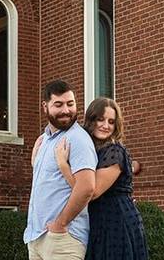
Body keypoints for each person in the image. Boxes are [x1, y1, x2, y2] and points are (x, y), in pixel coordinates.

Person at [55, 96, 148, 260]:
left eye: (111, 122)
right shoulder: (90, 148)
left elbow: (91, 192)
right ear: (91, 120)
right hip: (98, 219)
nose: (106, 126)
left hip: (117, 221)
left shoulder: (114, 151)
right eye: (100, 119)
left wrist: (63, 165)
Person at [24, 80, 98, 260]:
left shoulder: (77, 139)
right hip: (37, 236)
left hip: (63, 238)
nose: (66, 110)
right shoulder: (44, 139)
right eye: (59, 104)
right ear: (45, 106)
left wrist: (61, 223)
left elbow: (87, 187)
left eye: (70, 104)